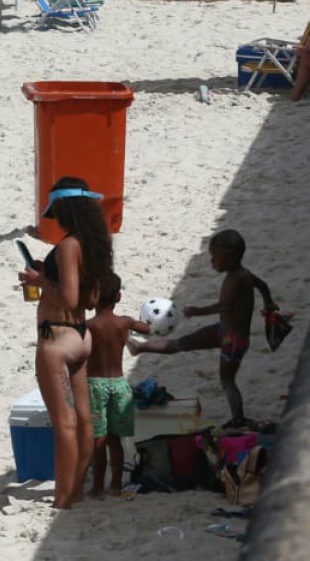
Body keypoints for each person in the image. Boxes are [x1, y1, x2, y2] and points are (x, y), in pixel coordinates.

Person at [20, 177, 114, 509]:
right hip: (80, 338)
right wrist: (48, 278)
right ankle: (75, 492)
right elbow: (88, 300)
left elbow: (69, 297)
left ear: (65, 209)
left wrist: (39, 279)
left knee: (64, 422)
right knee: (84, 419)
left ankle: (62, 498)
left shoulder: (69, 245)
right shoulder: (95, 246)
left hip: (56, 338)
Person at [132, 228, 280, 428]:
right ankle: (139, 348)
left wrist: (197, 311)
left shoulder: (238, 278)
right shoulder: (243, 274)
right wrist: (268, 302)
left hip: (234, 341)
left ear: (231, 257)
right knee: (182, 343)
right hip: (223, 331)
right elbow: (262, 285)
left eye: (215, 257)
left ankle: (239, 418)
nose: (211, 262)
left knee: (227, 380)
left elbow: (224, 306)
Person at [86, 273, 150, 499]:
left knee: (98, 440)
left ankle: (96, 488)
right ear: (119, 296)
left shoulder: (88, 326)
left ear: (93, 298)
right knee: (115, 440)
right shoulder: (125, 322)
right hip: (119, 385)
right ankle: (115, 485)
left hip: (94, 386)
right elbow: (148, 329)